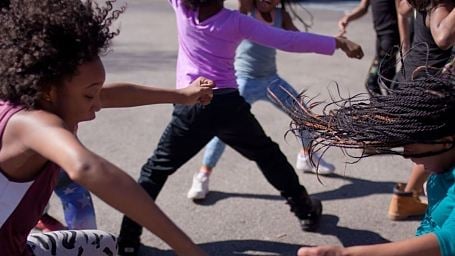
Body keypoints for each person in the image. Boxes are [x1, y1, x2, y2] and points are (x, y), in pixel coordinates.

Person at [117, 0, 363, 254]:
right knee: (268, 155)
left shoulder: (182, 8)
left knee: (154, 171)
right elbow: (287, 40)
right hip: (227, 107)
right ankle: (306, 211)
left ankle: (127, 240)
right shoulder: (237, 21)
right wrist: (338, 42)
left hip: (191, 107)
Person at [0, 0, 214, 255]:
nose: (97, 105)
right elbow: (87, 167)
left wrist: (182, 95)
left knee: (102, 244)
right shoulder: (31, 124)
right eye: (89, 96)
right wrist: (188, 249)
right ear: (48, 90)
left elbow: (117, 94)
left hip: (16, 246)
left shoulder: (29, 100)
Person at [268, 61, 455, 256]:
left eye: (413, 145)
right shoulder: (442, 167)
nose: (406, 154)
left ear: (445, 141)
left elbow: (449, 240)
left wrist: (346, 254)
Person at [186, 0, 336, 201]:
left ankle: (306, 156)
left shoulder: (282, 15)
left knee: (304, 114)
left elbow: (296, 37)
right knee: (224, 129)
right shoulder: (246, 11)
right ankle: (203, 174)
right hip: (244, 81)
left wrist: (333, 42)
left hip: (272, 80)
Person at [387, 0, 454, 221]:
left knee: (434, 149)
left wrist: (405, 42)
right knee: (438, 148)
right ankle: (409, 198)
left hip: (414, 77)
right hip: (428, 84)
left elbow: (402, 8)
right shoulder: (441, 4)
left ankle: (406, 196)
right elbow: (443, 37)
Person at [338, 0, 401, 95]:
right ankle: (390, 107)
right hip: (380, 38)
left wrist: (406, 41)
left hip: (390, 38)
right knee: (388, 81)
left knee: (374, 82)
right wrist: (347, 18)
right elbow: (363, 8)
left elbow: (402, 13)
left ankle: (390, 107)